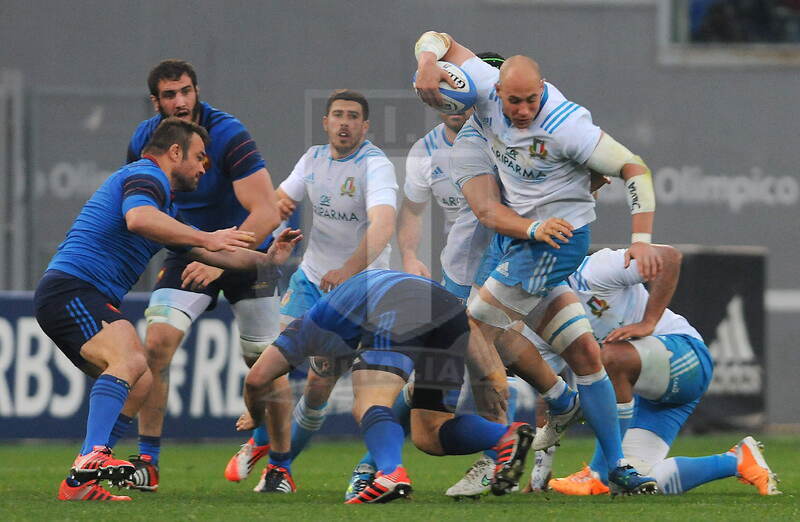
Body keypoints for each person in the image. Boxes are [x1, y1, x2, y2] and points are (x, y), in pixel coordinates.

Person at [414, 31, 661, 495]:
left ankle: (497, 453)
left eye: (530, 100)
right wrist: (428, 61)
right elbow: (489, 213)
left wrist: (641, 239)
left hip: (554, 243)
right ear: (492, 93)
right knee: (584, 354)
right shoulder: (470, 132)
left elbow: (634, 168)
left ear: (542, 88)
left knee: (475, 331)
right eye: (513, 102)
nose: (522, 111)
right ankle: (613, 461)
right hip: (518, 243)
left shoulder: (566, 124)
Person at [35, 118, 300, 501]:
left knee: (139, 379)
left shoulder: (165, 204)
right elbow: (139, 220)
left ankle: (80, 483)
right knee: (130, 358)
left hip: (79, 294)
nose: (204, 166)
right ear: (175, 152)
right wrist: (207, 235)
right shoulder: (147, 176)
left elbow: (214, 252)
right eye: (199, 157)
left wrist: (268, 258)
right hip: (71, 289)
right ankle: (92, 459)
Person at [224, 89, 398, 492]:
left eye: (353, 116)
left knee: (318, 388)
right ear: (325, 122)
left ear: (365, 126)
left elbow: (383, 227)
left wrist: (347, 270)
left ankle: (277, 465)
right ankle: (263, 442)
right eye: (337, 115)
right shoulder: (313, 158)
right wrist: (244, 242)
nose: (344, 123)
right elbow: (278, 203)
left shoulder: (376, 166)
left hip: (358, 291)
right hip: (310, 279)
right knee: (271, 362)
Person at [236, 269, 535, 504]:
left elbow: (256, 379)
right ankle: (504, 435)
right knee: (429, 433)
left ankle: (391, 473)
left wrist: (255, 416)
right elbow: (468, 330)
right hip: (448, 310)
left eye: (325, 364)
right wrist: (491, 374)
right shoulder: (344, 314)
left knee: (368, 402)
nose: (329, 369)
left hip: (398, 305)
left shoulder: (308, 327)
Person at [123, 60, 282, 492]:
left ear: (197, 92)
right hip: (189, 251)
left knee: (266, 364)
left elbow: (267, 212)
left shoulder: (228, 134)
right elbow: (143, 207)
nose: (180, 101)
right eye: (170, 94)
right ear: (156, 101)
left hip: (245, 250)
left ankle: (279, 464)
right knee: (155, 345)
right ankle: (148, 462)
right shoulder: (145, 140)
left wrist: (220, 256)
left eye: (186, 91)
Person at [521, 246, 781, 496]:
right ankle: (736, 461)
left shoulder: (594, 270)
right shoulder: (544, 322)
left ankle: (599, 472)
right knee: (635, 482)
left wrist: (649, 322)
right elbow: (551, 394)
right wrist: (540, 471)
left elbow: (669, 258)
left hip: (687, 357)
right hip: (649, 396)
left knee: (608, 358)